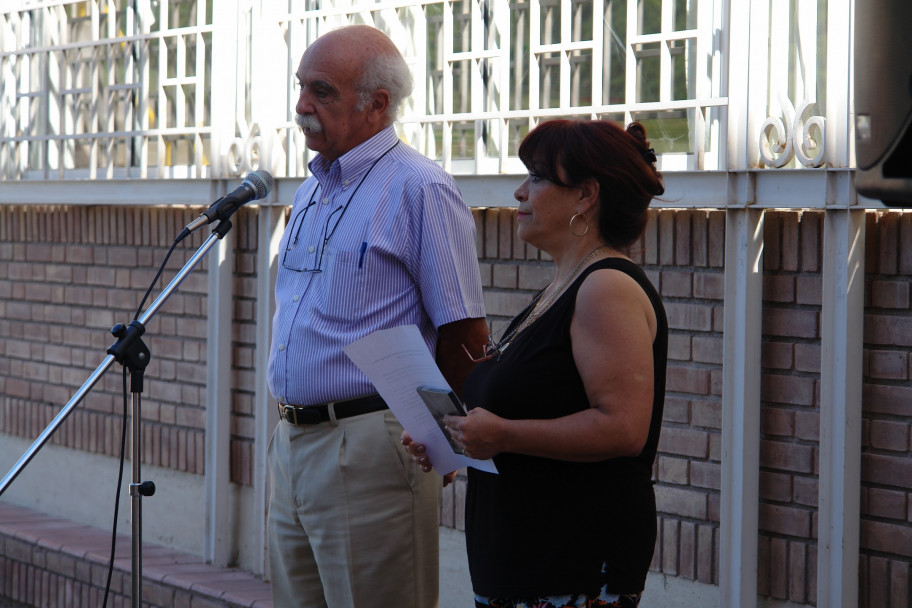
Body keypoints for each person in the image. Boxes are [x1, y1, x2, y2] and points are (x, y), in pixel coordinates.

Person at [404, 119, 668, 608]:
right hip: (521, 562)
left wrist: (502, 434)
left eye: (539, 177)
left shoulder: (606, 288)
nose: (520, 192)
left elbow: (624, 428)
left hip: (570, 564)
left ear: (586, 195)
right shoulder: (560, 289)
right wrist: (456, 439)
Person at [267, 25, 488, 608]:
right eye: (301, 88)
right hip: (291, 442)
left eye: (322, 91)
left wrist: (446, 443)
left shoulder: (420, 187)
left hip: (370, 443)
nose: (302, 106)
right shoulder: (311, 190)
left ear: (377, 103)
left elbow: (464, 332)